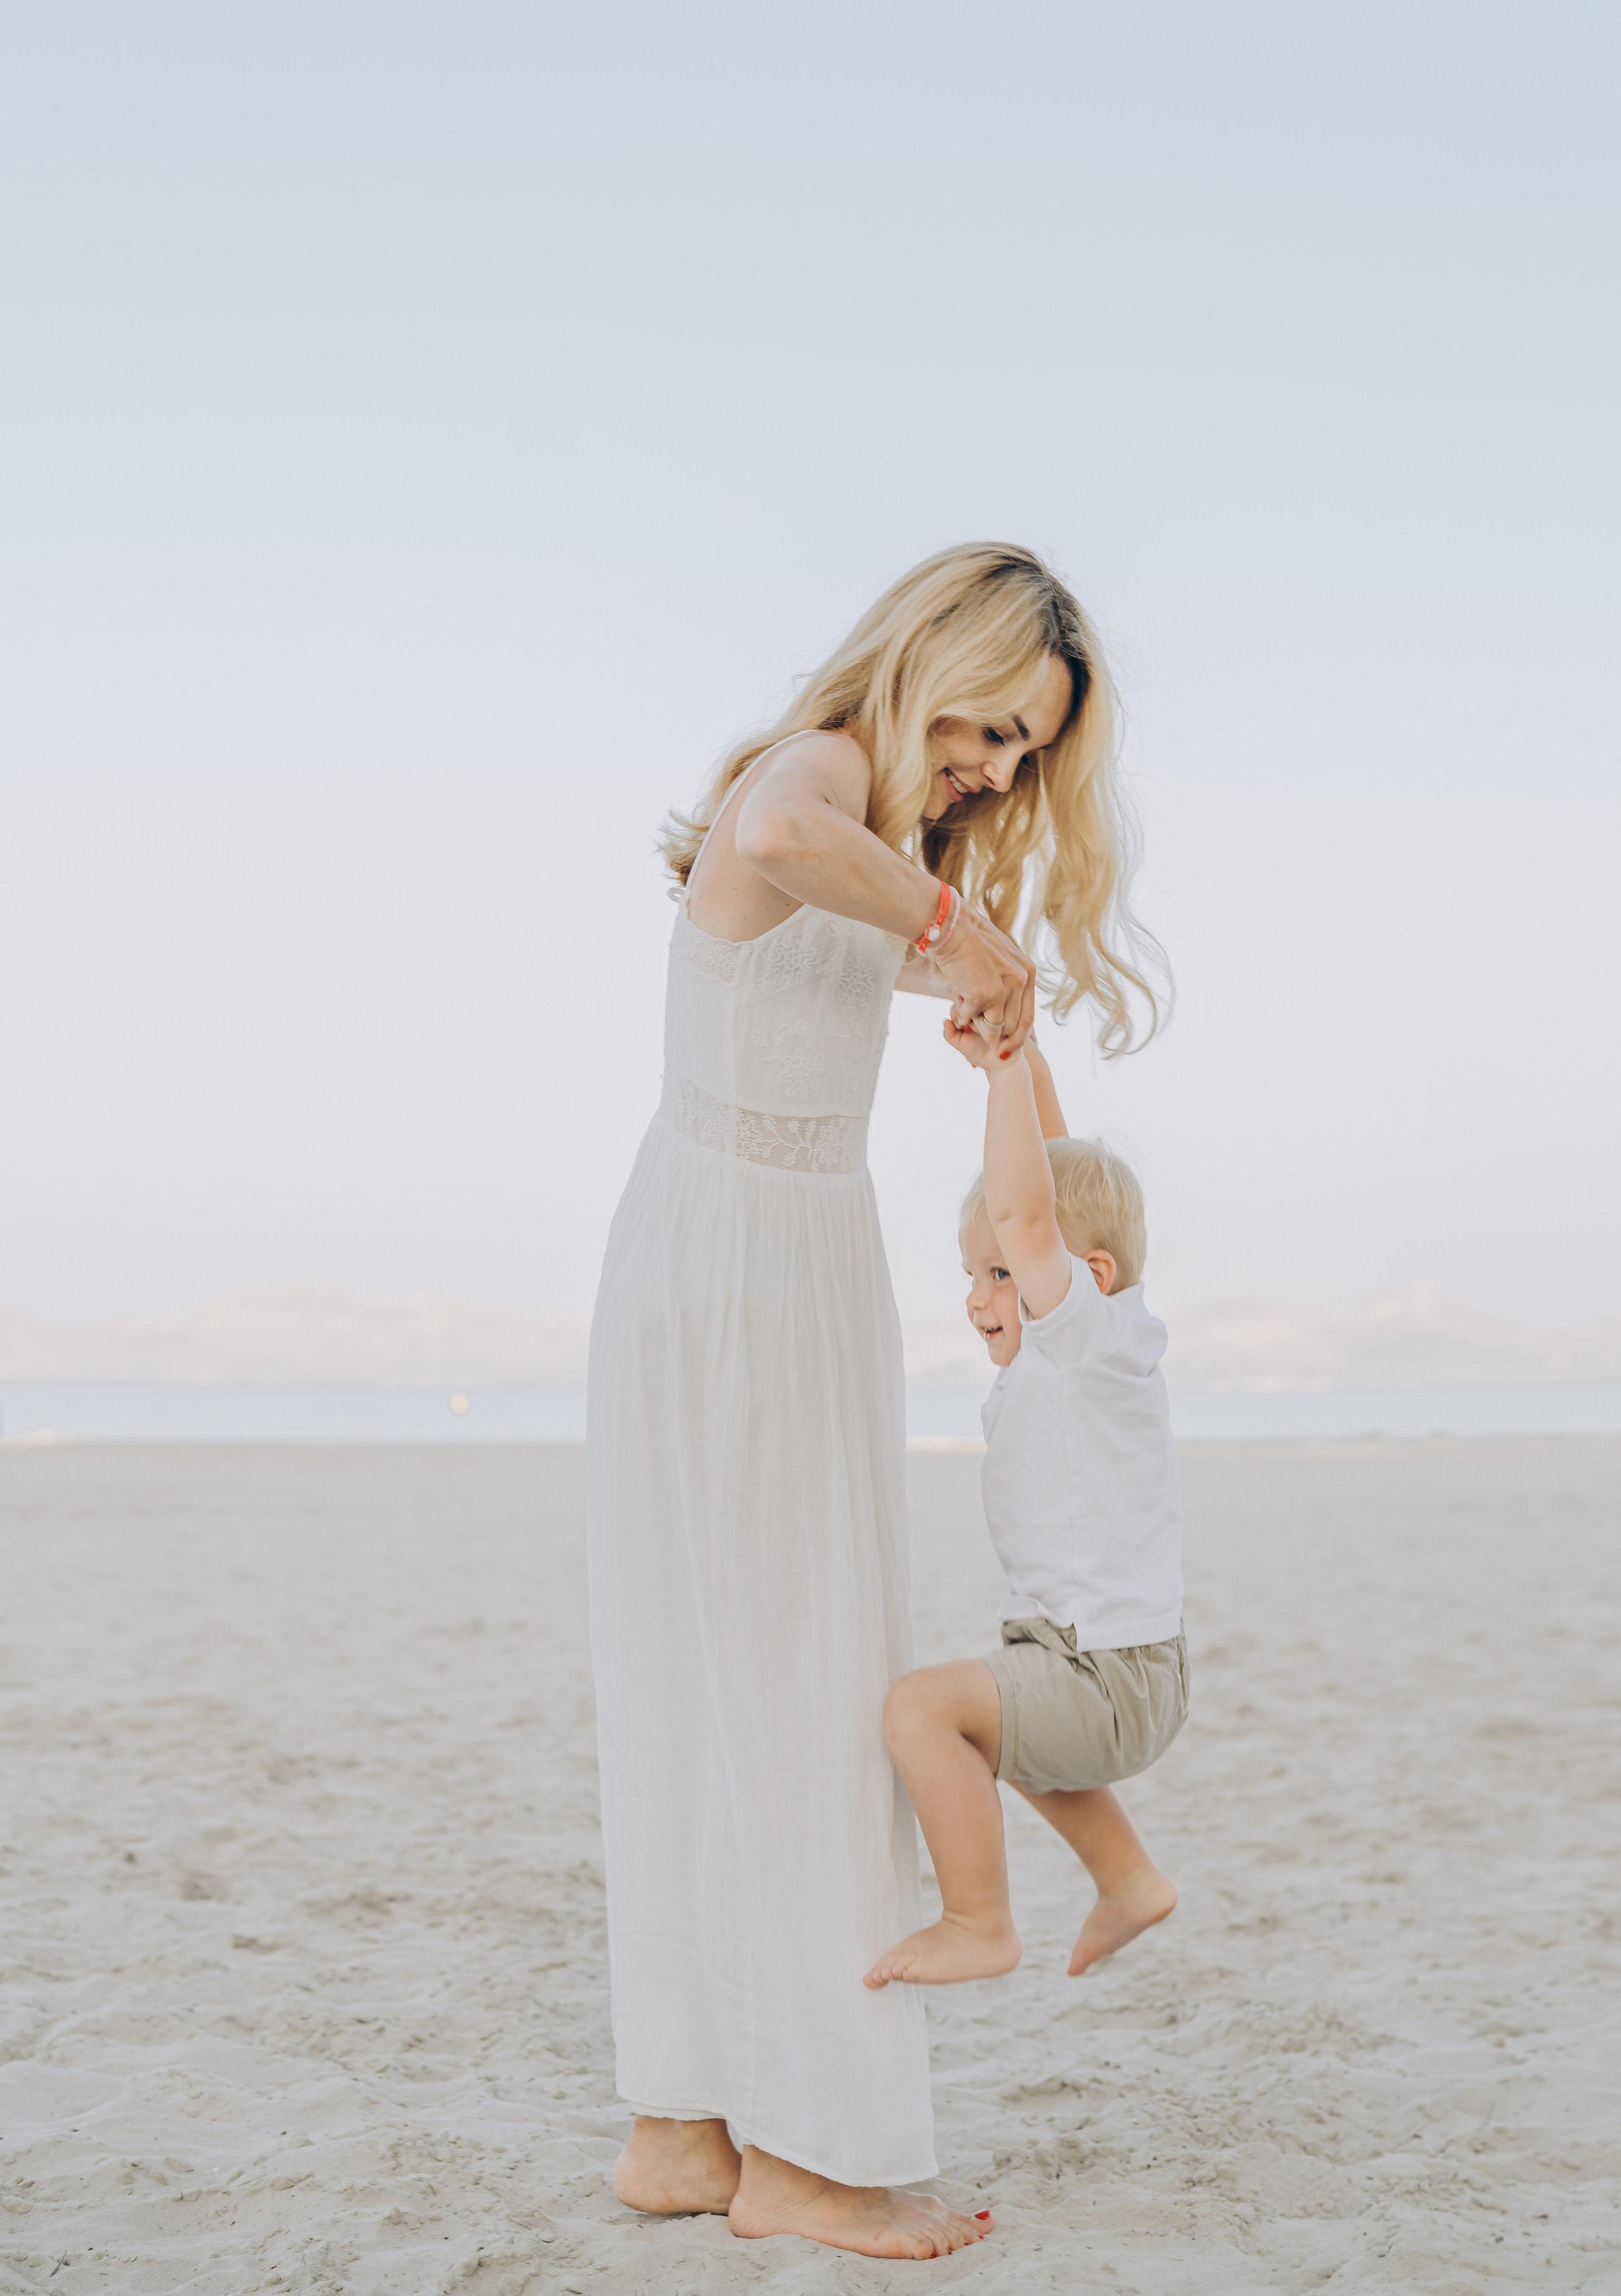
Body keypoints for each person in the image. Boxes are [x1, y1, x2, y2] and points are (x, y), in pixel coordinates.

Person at [586, 543, 1159, 2261]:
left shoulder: (872, 829)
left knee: (701, 1683)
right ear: (922, 664)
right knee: (807, 1687)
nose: (991, 772)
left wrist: (982, 981)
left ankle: (682, 2128)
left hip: (738, 1246)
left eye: (1022, 756)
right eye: (987, 727)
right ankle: (816, 2154)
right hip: (750, 1258)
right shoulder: (822, 769)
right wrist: (957, 926)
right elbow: (771, 835)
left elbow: (828, 928)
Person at [863, 1029, 1187, 1994]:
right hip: (1114, 1661)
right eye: (973, 1274)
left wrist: (1003, 1078)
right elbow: (1043, 1185)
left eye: (999, 1271)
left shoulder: (1077, 1337)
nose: (979, 1298)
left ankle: (980, 1920)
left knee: (924, 1711)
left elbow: (1026, 1205)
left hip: (1105, 1673)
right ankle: (1126, 1878)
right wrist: (1025, 1052)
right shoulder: (1106, 1330)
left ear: (1081, 1274)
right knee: (1006, 1726)